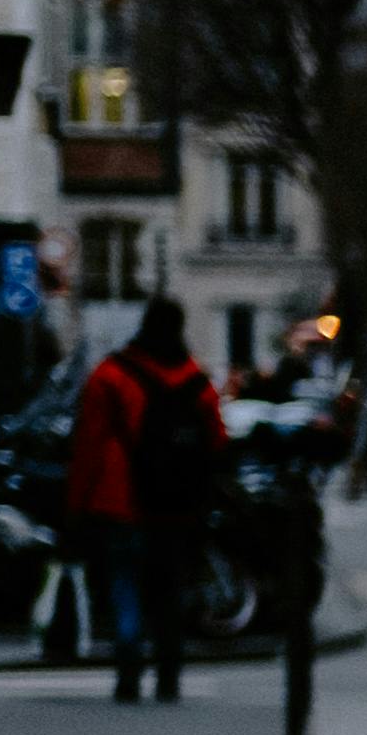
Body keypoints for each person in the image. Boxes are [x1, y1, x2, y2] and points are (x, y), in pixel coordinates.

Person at [62, 296, 228, 704]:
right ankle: (169, 675)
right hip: (175, 506)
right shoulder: (197, 382)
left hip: (120, 499)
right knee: (169, 590)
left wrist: (75, 506)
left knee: (125, 584)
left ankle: (129, 672)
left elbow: (88, 444)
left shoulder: (112, 375)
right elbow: (217, 443)